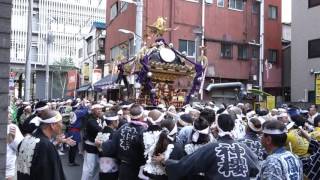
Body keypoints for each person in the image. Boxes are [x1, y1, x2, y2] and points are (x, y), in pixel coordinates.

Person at [164, 114, 259, 179]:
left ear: (217, 128)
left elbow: (185, 165)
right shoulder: (243, 147)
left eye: (214, 124)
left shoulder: (211, 147)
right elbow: (255, 169)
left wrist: (165, 161)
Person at [17, 111, 71, 180]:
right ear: (53, 125)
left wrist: (56, 142)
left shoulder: (25, 140)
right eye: (60, 122)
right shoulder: (46, 146)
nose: (62, 125)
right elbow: (50, 174)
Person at [101, 104, 148, 180]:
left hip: (124, 167)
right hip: (138, 169)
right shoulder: (144, 131)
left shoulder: (122, 128)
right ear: (142, 116)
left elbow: (111, 147)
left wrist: (102, 145)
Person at [81, 103, 104, 180]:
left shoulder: (100, 118)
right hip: (91, 145)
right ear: (93, 110)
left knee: (99, 167)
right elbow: (99, 130)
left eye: (100, 109)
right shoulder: (90, 120)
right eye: (98, 109)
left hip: (98, 146)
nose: (100, 111)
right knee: (89, 168)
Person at [97, 111, 120, 180]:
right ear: (113, 122)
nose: (118, 122)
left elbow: (98, 147)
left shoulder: (101, 131)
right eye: (117, 121)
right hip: (111, 162)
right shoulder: (115, 134)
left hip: (101, 160)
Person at [67, 100, 89, 166]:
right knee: (74, 147)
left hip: (71, 130)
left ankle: (71, 161)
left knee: (72, 147)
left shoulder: (73, 111)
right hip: (75, 131)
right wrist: (83, 105)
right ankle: (72, 162)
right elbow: (86, 111)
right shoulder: (78, 112)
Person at [6, 113, 24, 180]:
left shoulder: (13, 128)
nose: (10, 115)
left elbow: (21, 148)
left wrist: (11, 141)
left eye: (9, 112)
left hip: (8, 169)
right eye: (6, 112)